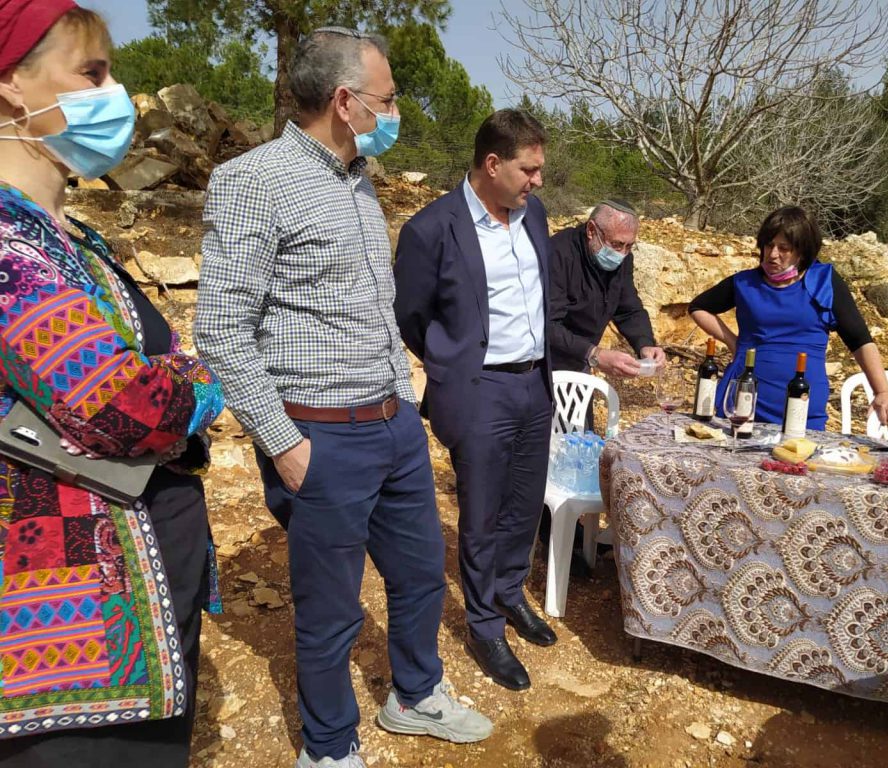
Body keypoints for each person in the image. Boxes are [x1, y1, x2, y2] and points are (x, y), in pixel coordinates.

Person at [194, 27, 491, 768]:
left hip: (392, 428)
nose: (396, 110)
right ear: (344, 100)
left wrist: (404, 398)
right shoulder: (253, 181)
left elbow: (373, 309)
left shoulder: (361, 181)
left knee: (422, 572)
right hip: (318, 436)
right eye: (387, 98)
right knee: (329, 611)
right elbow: (223, 330)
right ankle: (328, 748)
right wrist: (283, 444)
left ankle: (414, 695)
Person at [0, 3, 224, 767]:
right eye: (91, 73)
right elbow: (126, 408)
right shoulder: (7, 248)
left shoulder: (68, 234)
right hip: (74, 628)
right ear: (12, 90)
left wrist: (173, 377)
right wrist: (200, 377)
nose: (116, 93)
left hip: (140, 580)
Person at [394, 110, 556, 692]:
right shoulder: (431, 229)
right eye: (528, 169)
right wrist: (450, 362)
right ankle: (483, 622)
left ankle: (509, 594)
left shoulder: (532, 214)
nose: (538, 181)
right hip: (479, 388)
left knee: (523, 504)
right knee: (482, 512)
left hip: (535, 384)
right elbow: (411, 317)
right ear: (493, 164)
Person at [689, 205, 888, 429]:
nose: (772, 254)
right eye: (769, 245)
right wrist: (734, 342)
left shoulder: (824, 282)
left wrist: (883, 391)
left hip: (802, 407)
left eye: (784, 248)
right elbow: (698, 307)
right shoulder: (744, 283)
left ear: (802, 251)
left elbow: (860, 341)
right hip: (744, 403)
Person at [549, 199, 665, 376]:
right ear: (591, 230)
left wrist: (645, 343)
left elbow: (628, 309)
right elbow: (547, 324)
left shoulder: (623, 260)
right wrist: (594, 354)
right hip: (545, 364)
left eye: (629, 246)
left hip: (581, 364)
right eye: (617, 244)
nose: (621, 254)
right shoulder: (558, 254)